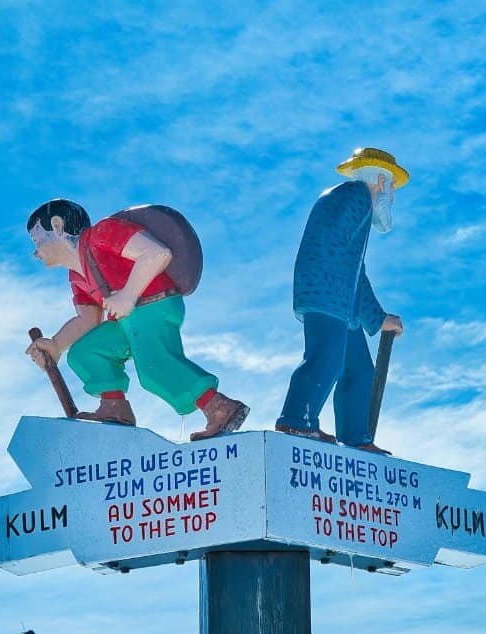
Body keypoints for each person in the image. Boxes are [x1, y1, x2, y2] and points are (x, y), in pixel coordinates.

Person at [24, 199, 248, 440]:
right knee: (86, 351)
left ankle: (219, 407)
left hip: (153, 304)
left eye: (38, 240)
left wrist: (128, 295)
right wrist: (56, 345)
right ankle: (114, 409)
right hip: (126, 320)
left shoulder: (103, 233)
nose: (36, 251)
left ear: (57, 226)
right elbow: (87, 321)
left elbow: (156, 253)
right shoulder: (77, 275)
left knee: (155, 366)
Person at [276, 148, 408, 455]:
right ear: (378, 178)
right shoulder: (356, 196)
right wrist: (377, 317)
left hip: (340, 296)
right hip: (328, 292)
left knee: (359, 369)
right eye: (389, 187)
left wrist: (375, 316)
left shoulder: (349, 199)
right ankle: (297, 419)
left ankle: (355, 436)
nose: (390, 196)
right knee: (327, 358)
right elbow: (346, 264)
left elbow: (354, 267)